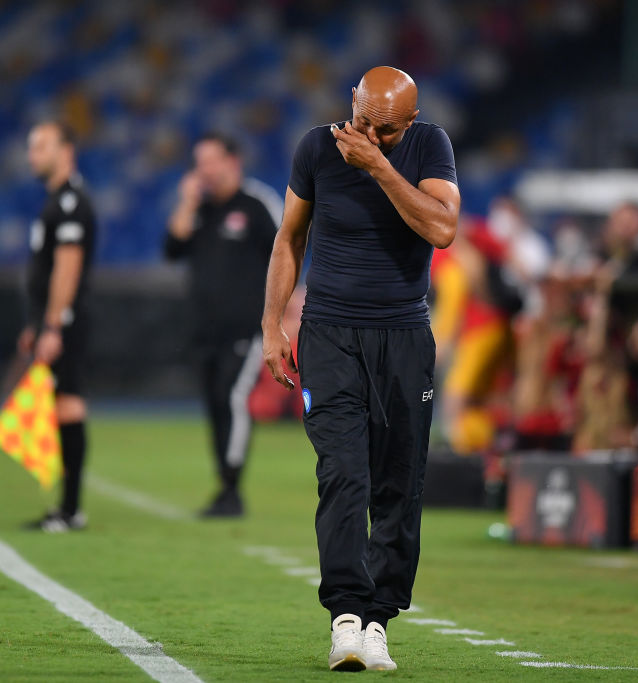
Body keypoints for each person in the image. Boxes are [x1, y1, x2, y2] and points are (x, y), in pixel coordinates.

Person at [261, 66, 459, 671]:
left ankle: (380, 618)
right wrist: (272, 325)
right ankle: (346, 616)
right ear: (353, 102)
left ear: (412, 122)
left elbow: (442, 228)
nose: (373, 136)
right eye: (366, 123)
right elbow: (289, 239)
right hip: (329, 335)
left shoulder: (430, 147)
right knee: (343, 473)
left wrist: (378, 166)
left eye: (389, 131)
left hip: (403, 337)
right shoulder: (317, 147)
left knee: (399, 483)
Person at [164, 132, 277, 517]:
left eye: (210, 160)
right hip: (205, 330)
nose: (204, 169)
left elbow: (286, 254)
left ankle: (232, 487)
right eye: (199, 162)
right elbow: (172, 248)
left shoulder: (257, 204)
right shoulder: (201, 208)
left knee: (233, 398)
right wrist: (187, 201)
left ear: (232, 161)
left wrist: (280, 314)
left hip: (246, 328)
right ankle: (224, 485)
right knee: (215, 405)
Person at [19, 121, 96, 532]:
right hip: (54, 320)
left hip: (65, 321)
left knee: (68, 403)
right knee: (61, 403)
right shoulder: (56, 202)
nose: (33, 155)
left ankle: (70, 510)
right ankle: (68, 507)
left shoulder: (70, 203)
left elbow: (67, 269)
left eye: (41, 146)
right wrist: (36, 322)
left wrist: (51, 324)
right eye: (31, 147)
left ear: (66, 150)